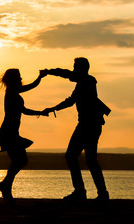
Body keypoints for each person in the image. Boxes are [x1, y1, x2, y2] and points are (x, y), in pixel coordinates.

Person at [43, 57, 110, 201]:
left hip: (88, 125)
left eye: (75, 68)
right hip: (92, 124)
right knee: (89, 159)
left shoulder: (86, 82)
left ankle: (82, 191)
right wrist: (54, 108)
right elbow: (70, 97)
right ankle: (100, 192)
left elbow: (68, 82)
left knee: (72, 156)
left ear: (81, 69)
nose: (73, 70)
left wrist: (49, 72)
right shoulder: (84, 82)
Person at [0, 68, 48, 202]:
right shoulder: (12, 92)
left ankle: (6, 185)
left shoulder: (13, 92)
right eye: (19, 77)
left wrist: (40, 113)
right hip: (8, 132)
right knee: (20, 161)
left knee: (19, 161)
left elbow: (24, 110)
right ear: (13, 79)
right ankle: (5, 185)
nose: (21, 79)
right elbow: (31, 87)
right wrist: (40, 77)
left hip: (11, 132)